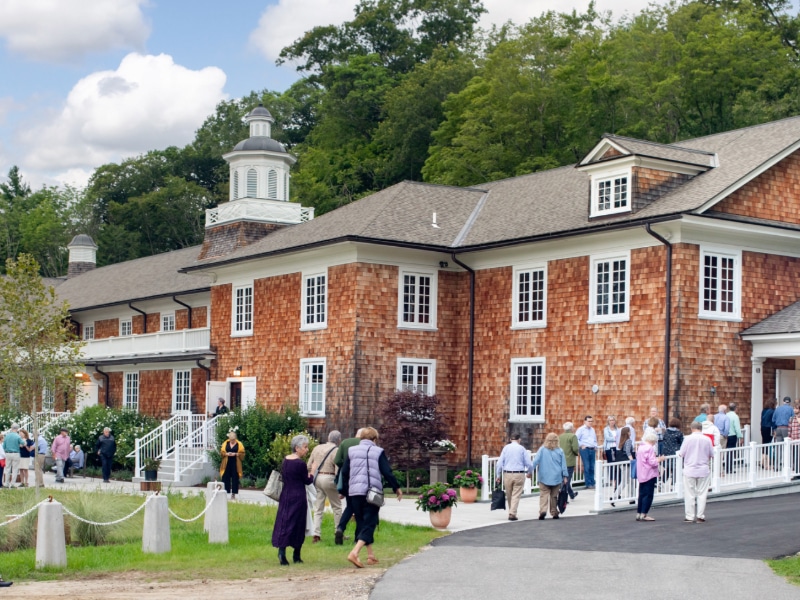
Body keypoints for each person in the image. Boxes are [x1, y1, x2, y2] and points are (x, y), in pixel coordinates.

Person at [340, 427, 402, 568]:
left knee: (362, 522)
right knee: (370, 522)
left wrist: (344, 490)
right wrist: (396, 488)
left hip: (355, 492)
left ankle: (370, 556)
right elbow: (387, 471)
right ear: (375, 439)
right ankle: (354, 553)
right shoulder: (378, 451)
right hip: (372, 492)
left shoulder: (351, 451)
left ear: (361, 438)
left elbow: (344, 472)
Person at [272, 434, 315, 565]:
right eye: (305, 447)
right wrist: (313, 471)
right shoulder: (300, 464)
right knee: (298, 524)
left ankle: (282, 552)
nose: (307, 450)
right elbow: (307, 481)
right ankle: (296, 555)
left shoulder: (285, 461)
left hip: (286, 494)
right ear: (297, 448)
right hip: (298, 495)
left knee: (284, 522)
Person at [308, 430, 343, 543]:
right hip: (329, 478)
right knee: (336, 507)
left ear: (328, 437)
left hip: (317, 478)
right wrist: (339, 484)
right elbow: (337, 469)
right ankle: (338, 531)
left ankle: (316, 534)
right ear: (339, 440)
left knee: (318, 507)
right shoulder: (337, 450)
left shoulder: (317, 448)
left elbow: (309, 465)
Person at [678, 421, 715, 523]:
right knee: (702, 494)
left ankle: (689, 516)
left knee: (689, 493)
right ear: (701, 428)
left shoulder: (687, 439)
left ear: (691, 428)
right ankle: (700, 516)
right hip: (703, 469)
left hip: (690, 469)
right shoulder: (707, 439)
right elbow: (712, 454)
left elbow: (681, 453)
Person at [334, 428, 364, 545]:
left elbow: (337, 460)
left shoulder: (345, 442)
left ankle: (340, 527)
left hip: (347, 478)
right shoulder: (365, 444)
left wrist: (345, 466)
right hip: (361, 479)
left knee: (350, 506)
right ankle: (358, 537)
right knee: (360, 509)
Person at [494, 432, 533, 520]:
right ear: (519, 440)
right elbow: (529, 464)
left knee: (509, 494)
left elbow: (499, 463)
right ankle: (512, 513)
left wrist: (498, 475)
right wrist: (529, 472)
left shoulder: (506, 448)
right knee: (516, 494)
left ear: (510, 439)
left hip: (507, 473)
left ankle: (511, 512)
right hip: (519, 473)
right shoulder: (522, 449)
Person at [530, 433, 568, 520]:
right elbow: (563, 465)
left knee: (543, 495)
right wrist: (565, 476)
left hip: (544, 476)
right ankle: (554, 512)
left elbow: (536, 461)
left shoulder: (542, 449)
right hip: (556, 476)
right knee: (554, 496)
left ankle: (543, 510)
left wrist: (530, 471)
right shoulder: (560, 451)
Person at [635, 431, 664, 522]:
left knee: (642, 494)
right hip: (649, 473)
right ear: (653, 441)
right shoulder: (650, 448)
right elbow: (652, 462)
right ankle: (644, 514)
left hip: (641, 473)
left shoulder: (640, 447)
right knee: (648, 494)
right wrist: (659, 459)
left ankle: (639, 513)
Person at [610, 426, 635, 507]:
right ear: (627, 433)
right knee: (625, 481)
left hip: (622, 462)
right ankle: (614, 497)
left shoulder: (621, 441)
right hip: (627, 463)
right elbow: (628, 452)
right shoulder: (628, 441)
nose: (630, 433)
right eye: (629, 431)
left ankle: (632, 498)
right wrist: (632, 460)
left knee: (630, 480)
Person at [220, 430, 245, 500]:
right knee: (225, 477)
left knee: (235, 478)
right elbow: (221, 453)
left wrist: (236, 454)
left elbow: (242, 454)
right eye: (231, 440)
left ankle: (233, 494)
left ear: (235, 438)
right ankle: (225, 492)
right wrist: (226, 454)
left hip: (235, 463)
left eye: (233, 440)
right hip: (226, 462)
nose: (232, 441)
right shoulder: (226, 443)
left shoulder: (239, 444)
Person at [575, 416, 598, 489]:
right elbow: (576, 438)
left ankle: (592, 482)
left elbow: (594, 439)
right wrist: (581, 445)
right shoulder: (581, 429)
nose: (590, 423)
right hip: (585, 450)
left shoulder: (592, 430)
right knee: (587, 466)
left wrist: (595, 446)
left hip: (592, 449)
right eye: (589, 421)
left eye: (591, 421)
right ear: (585, 421)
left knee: (592, 466)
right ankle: (588, 483)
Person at [558, 422, 579, 500]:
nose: (574, 428)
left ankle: (571, 494)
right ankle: (563, 498)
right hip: (569, 461)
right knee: (567, 480)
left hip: (561, 461)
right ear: (571, 428)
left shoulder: (560, 437)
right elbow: (575, 448)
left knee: (564, 479)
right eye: (573, 427)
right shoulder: (573, 436)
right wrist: (576, 453)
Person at [661, 417, 684, 487]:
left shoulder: (666, 432)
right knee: (676, 468)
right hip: (676, 452)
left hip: (666, 452)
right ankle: (673, 484)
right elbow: (682, 443)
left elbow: (664, 440)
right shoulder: (679, 433)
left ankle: (662, 482)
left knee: (667, 468)